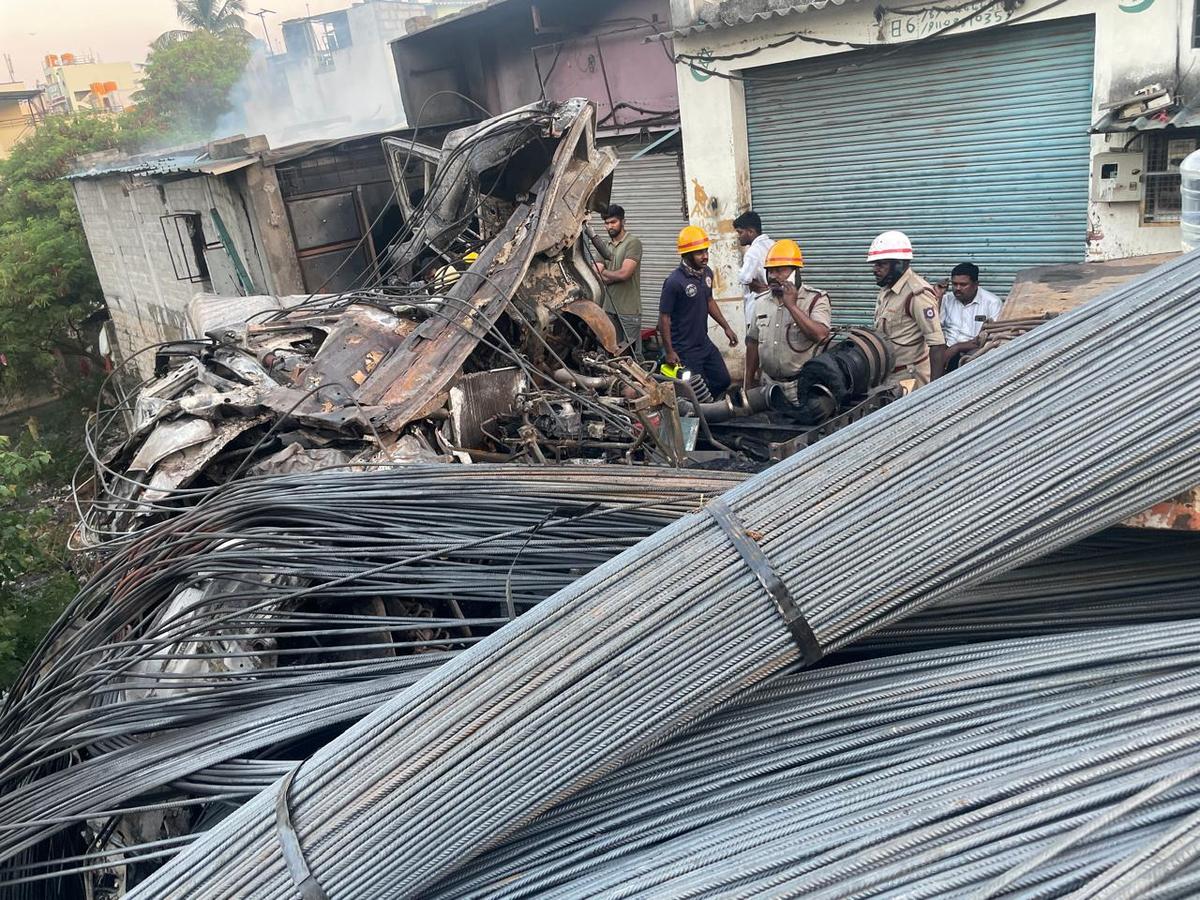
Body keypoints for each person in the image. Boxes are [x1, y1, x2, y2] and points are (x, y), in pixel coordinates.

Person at [744, 239, 832, 400]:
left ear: (795, 273)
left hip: (802, 387)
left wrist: (791, 305)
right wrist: (748, 383)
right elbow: (753, 342)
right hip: (768, 386)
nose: (773, 276)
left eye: (779, 271)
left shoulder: (815, 299)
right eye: (770, 271)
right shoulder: (761, 302)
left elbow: (821, 335)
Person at [659, 225, 739, 397]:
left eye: (706, 251)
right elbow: (664, 318)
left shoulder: (706, 273)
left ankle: (712, 410)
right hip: (685, 350)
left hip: (704, 343)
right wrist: (669, 351)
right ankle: (704, 418)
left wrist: (726, 327)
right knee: (697, 392)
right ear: (687, 255)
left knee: (723, 380)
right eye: (699, 253)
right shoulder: (674, 282)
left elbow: (709, 301)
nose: (705, 257)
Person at [868, 230, 947, 389]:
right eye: (874, 264)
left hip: (910, 380)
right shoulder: (886, 289)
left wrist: (934, 391)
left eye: (882, 264)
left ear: (900, 264)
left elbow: (937, 345)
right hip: (887, 377)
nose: (875, 269)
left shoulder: (918, 294)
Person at [587, 204, 643, 354]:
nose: (609, 226)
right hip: (608, 310)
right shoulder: (605, 246)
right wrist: (612, 275)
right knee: (607, 353)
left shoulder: (633, 243)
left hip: (628, 311)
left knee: (632, 356)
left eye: (613, 222)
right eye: (606, 223)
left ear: (623, 221)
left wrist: (606, 272)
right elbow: (596, 274)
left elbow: (625, 274)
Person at [936, 262, 1003, 368]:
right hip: (947, 351)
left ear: (976, 284)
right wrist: (938, 297)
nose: (957, 288)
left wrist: (957, 347)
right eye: (954, 284)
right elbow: (935, 328)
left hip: (975, 354)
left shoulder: (992, 302)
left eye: (963, 285)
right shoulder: (946, 299)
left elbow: (992, 336)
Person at [734, 211, 773, 327]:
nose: (738, 236)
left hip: (757, 307)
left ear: (750, 232)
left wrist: (752, 282)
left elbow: (744, 278)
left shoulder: (753, 251)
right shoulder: (773, 244)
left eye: (740, 232)